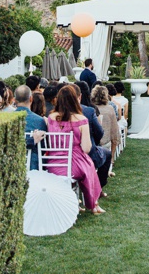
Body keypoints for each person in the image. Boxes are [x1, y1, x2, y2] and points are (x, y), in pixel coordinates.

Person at [40, 84, 104, 214]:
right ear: (75, 99)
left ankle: (88, 204)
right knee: (89, 165)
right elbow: (86, 148)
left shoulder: (51, 118)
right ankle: (92, 203)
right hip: (71, 165)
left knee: (87, 165)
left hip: (52, 162)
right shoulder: (82, 120)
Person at [14, 85, 47, 170]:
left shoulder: (6, 119)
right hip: (33, 164)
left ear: (14, 100)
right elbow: (43, 147)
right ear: (31, 99)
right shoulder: (39, 121)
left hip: (12, 163)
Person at [91, 85, 120, 162]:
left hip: (91, 142)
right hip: (105, 143)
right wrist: (112, 156)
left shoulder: (89, 108)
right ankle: (110, 160)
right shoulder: (110, 109)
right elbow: (115, 131)